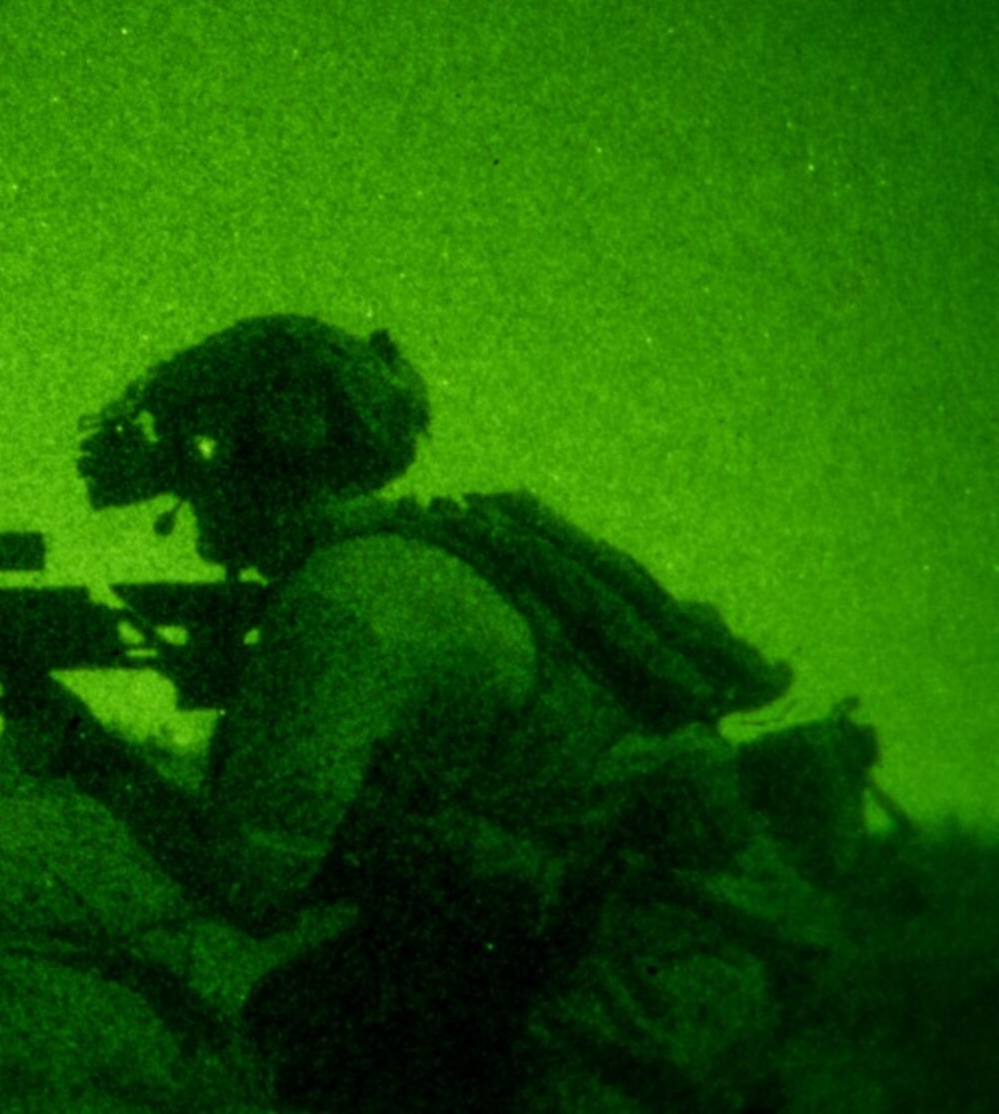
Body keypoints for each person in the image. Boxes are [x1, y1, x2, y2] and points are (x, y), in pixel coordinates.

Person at [58, 314, 860, 1112]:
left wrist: (81, 755)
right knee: (317, 1007)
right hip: (710, 945)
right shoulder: (430, 553)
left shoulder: (342, 603)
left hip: (635, 985)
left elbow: (252, 887)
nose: (189, 485)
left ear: (265, 444)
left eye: (201, 451)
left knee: (314, 1035)